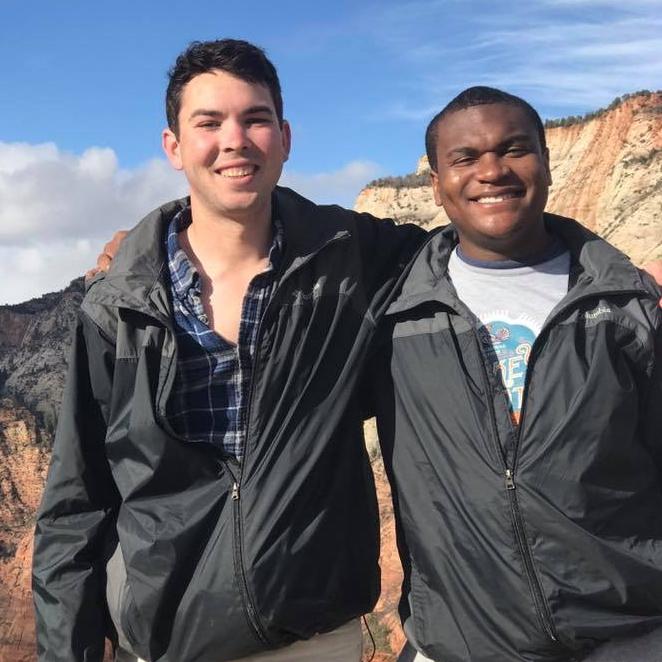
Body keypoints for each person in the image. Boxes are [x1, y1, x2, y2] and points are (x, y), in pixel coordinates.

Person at [31, 39, 425, 662]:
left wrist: (589, 260)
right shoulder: (119, 306)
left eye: (255, 119)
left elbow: (483, 238)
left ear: (284, 138)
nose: (235, 140)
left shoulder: (350, 259)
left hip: (313, 639)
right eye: (209, 123)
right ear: (174, 147)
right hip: (162, 642)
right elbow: (76, 503)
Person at [368, 86, 662, 662]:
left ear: (546, 162)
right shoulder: (396, 315)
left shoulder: (627, 305)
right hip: (459, 643)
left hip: (632, 637)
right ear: (436, 185)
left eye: (513, 149)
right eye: (465, 157)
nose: (492, 171)